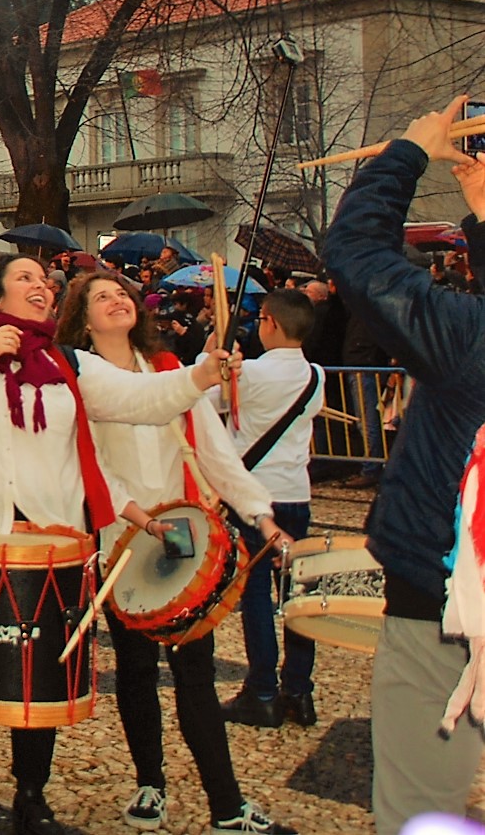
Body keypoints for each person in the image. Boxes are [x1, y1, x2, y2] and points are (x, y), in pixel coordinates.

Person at [0, 254, 239, 835]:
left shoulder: (68, 363)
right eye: (25, 278)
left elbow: (141, 399)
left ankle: (32, 797)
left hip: (51, 541)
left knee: (42, 676)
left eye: (44, 281)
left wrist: (200, 376)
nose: (41, 286)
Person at [55, 271, 295, 835]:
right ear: (83, 319)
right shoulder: (76, 378)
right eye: (101, 297)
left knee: (195, 674)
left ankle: (227, 805)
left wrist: (260, 515)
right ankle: (149, 783)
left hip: (183, 538)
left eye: (122, 293)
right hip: (121, 541)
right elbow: (87, 464)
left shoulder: (168, 372)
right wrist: (140, 519)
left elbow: (216, 453)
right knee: (136, 673)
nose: (117, 300)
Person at [319, 95, 485, 833]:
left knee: (419, 806)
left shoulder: (466, 340)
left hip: (446, 602)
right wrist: (477, 218)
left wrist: (406, 152)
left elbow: (355, 253)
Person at [217, 289, 326, 730]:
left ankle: (261, 690)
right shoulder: (316, 375)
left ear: (269, 322)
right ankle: (298, 690)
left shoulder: (249, 374)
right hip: (297, 493)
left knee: (258, 595)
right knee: (298, 596)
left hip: (254, 496)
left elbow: (210, 405)